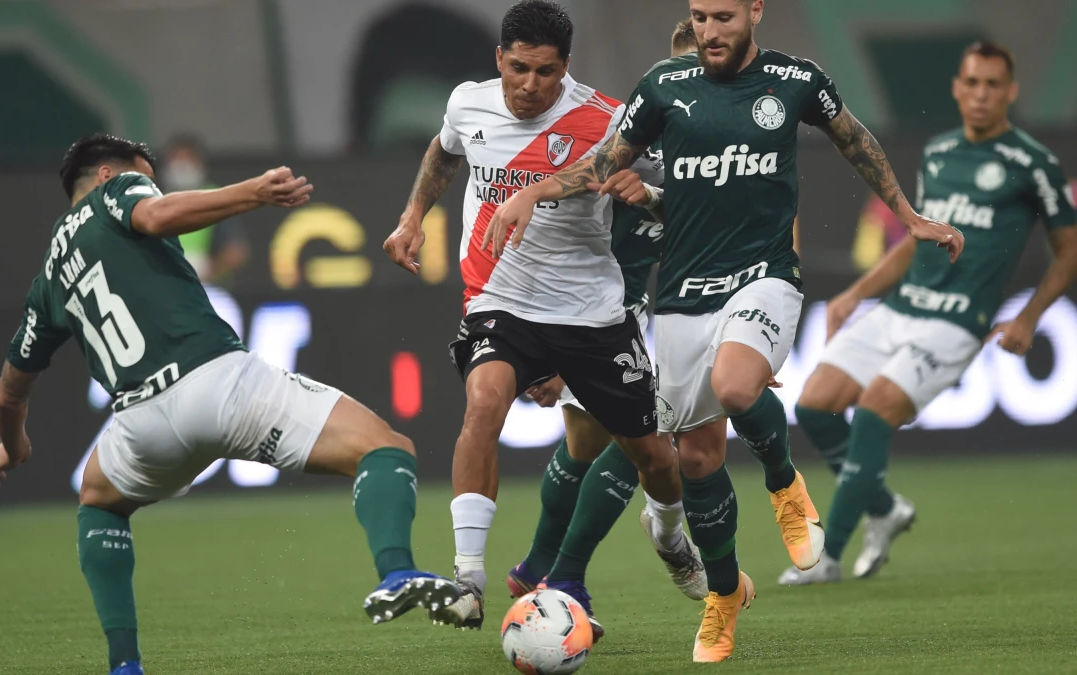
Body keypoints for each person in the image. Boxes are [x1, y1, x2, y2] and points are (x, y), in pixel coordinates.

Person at [483, 0, 964, 662]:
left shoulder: (795, 80)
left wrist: (909, 216)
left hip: (764, 273)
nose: (710, 30)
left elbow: (855, 139)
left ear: (755, 13)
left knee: (736, 387)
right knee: (697, 456)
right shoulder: (663, 88)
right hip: (682, 291)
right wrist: (533, 192)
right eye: (700, 16)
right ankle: (723, 594)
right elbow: (604, 163)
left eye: (723, 17)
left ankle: (783, 481)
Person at [0, 134, 462, 675]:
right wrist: (253, 192)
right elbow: (156, 214)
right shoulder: (115, 190)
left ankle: (124, 665)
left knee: (98, 500)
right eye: (147, 176)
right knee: (386, 449)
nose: (153, 184)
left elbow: (8, 394)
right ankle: (397, 572)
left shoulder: (48, 278)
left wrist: (12, 445)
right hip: (216, 382)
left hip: (141, 425)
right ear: (106, 176)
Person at [383, 0, 693, 632]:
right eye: (518, 68)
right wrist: (413, 216)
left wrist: (649, 193)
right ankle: (467, 579)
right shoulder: (468, 102)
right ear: (498, 58)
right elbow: (444, 154)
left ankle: (668, 534)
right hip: (502, 301)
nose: (529, 85)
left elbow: (682, 198)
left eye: (545, 73)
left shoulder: (607, 120)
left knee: (655, 458)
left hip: (590, 313)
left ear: (565, 68)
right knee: (485, 401)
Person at [781, 41, 1077, 585]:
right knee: (816, 406)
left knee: (872, 413)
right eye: (972, 82)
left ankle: (829, 558)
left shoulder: (1034, 163)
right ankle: (885, 507)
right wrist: (853, 294)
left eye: (993, 84)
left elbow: (1070, 250)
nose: (981, 94)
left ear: (1010, 92)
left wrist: (1029, 318)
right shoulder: (939, 152)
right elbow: (916, 241)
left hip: (956, 323)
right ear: (958, 88)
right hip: (900, 308)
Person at [504, 20, 708, 644]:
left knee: (591, 442)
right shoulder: (628, 139)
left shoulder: (712, 158)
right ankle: (563, 576)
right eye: (680, 72)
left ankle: (540, 568)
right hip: (590, 315)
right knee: (631, 438)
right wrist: (556, 349)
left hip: (638, 312)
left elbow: (709, 225)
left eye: (700, 72)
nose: (689, 86)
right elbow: (553, 232)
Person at [160, 134, 250, 287]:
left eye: (187, 160)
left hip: (210, 291)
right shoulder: (156, 200)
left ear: (199, 163)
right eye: (177, 160)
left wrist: (208, 271)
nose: (182, 167)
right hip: (168, 290)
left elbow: (236, 252)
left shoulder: (217, 198)